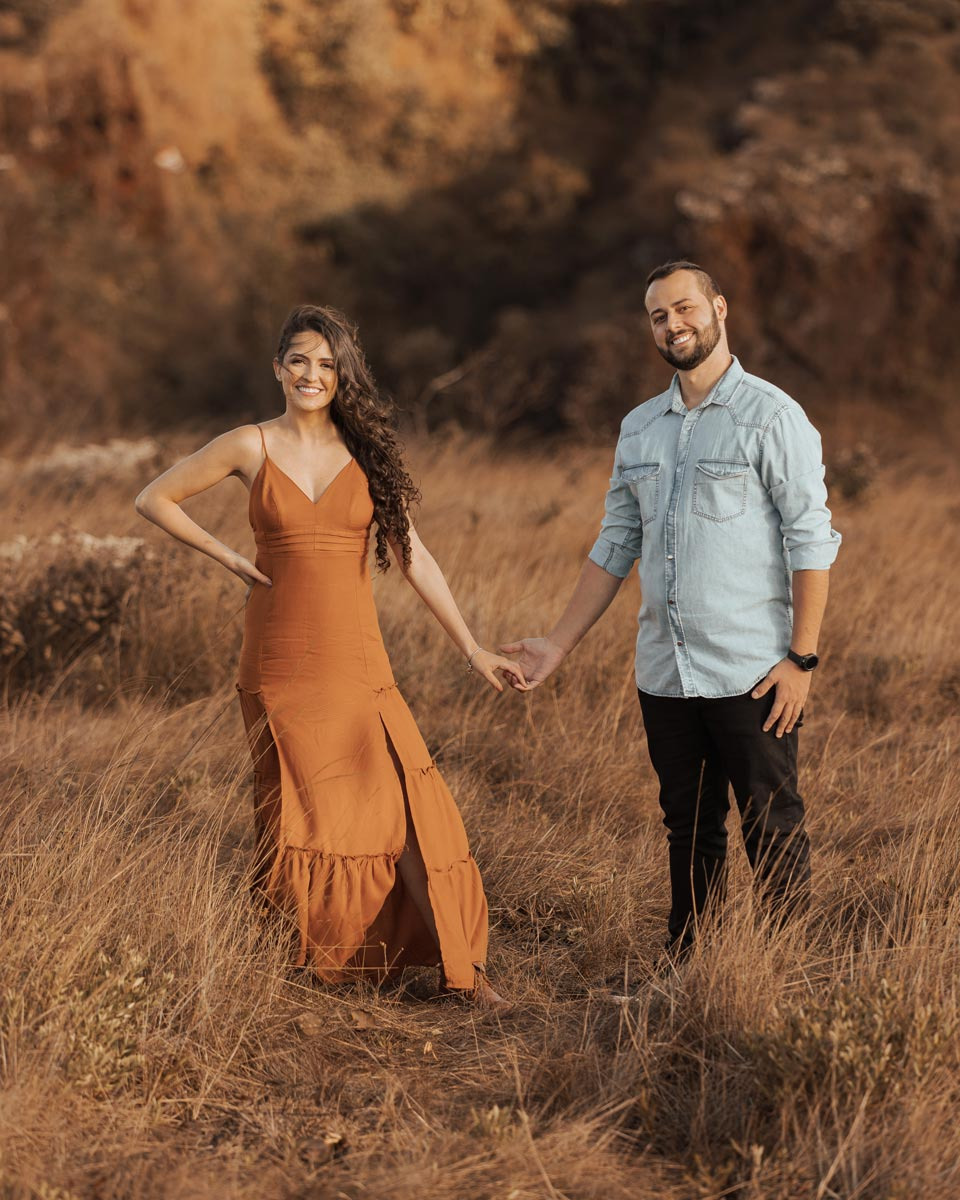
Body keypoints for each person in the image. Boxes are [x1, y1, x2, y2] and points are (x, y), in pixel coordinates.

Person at [135, 304, 525, 1009]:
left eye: (325, 363)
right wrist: (229, 556)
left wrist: (471, 647)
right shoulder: (249, 444)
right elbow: (153, 497)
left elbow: (413, 554)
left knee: (405, 805)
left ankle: (464, 973)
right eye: (299, 361)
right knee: (302, 812)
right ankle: (315, 960)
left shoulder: (365, 452)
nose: (311, 375)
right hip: (279, 658)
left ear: (343, 374)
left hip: (356, 659)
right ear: (277, 368)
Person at [502, 261, 841, 967]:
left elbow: (811, 541)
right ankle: (690, 968)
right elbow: (616, 544)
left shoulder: (772, 417)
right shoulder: (640, 428)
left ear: (719, 308)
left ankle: (781, 979)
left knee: (772, 825)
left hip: (754, 671)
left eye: (684, 308)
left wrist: (801, 660)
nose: (672, 324)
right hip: (665, 672)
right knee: (688, 828)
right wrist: (557, 645)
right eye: (658, 316)